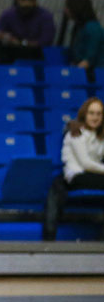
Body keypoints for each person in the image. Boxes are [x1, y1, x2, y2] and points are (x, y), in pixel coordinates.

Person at [42, 97, 104, 241]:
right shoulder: (75, 132)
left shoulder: (100, 136)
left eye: (99, 114)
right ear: (84, 114)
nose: (95, 117)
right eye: (91, 113)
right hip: (76, 176)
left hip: (93, 176)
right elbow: (86, 164)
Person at [0, 0, 56, 64]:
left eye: (30, 0)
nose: (26, 3)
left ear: (35, 1)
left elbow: (45, 42)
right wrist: (5, 37)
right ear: (17, 0)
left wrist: (21, 43)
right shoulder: (8, 14)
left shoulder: (45, 16)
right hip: (11, 51)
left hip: (34, 53)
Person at [64, 0, 104, 71]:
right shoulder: (80, 27)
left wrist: (73, 73)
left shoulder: (92, 28)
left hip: (94, 73)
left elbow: (89, 59)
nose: (65, 10)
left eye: (67, 6)